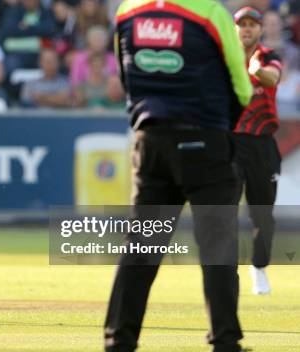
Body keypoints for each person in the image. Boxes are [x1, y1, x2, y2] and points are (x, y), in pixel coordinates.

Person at [105, 1, 253, 352]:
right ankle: (225, 341)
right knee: (217, 248)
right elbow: (243, 88)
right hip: (206, 142)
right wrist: (220, 125)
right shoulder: (210, 12)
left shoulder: (128, 11)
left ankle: (118, 341)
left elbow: (126, 78)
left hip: (150, 139)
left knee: (141, 248)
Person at [233, 7, 283, 295]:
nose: (247, 29)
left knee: (262, 215)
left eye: (253, 24)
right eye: (243, 25)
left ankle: (259, 267)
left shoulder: (268, 56)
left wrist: (256, 70)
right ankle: (227, 273)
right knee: (223, 211)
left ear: (261, 29)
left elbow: (272, 79)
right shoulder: (225, 58)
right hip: (231, 142)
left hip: (262, 144)